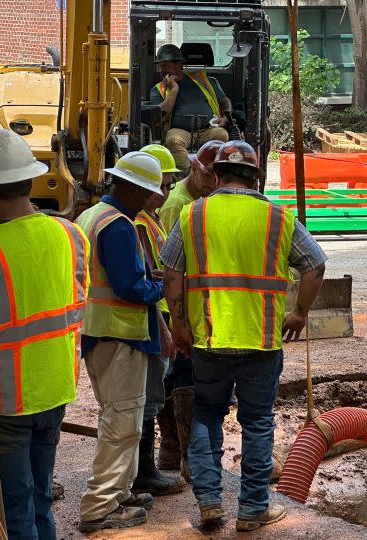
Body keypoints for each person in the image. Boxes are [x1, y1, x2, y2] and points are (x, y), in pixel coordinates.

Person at [161, 141, 327, 531]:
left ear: (216, 175)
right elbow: (315, 265)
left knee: (206, 415)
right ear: (256, 177)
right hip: (262, 340)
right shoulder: (278, 218)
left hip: (208, 338)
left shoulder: (192, 215)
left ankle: (209, 502)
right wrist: (299, 313)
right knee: (256, 423)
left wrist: (180, 323)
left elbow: (171, 272)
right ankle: (252, 509)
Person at [0, 129, 89, 540]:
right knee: (38, 501)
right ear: (29, 180)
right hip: (54, 389)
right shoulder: (70, 234)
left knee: (12, 510)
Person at [75, 152, 172, 532]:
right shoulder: (118, 226)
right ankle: (100, 506)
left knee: (122, 417)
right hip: (119, 333)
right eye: (148, 191)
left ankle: (120, 492)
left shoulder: (93, 215)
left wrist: (149, 278)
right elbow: (130, 287)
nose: (152, 199)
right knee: (122, 421)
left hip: (99, 331)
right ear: (129, 187)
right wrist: (163, 286)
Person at [153, 139, 224, 481]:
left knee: (178, 380)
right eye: (211, 174)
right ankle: (181, 454)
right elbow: (170, 266)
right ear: (195, 168)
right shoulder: (177, 206)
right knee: (180, 381)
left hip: (189, 307)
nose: (215, 182)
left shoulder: (201, 202)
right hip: (173, 307)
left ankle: (172, 450)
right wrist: (175, 317)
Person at [131, 144, 186, 496]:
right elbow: (150, 279)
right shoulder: (138, 223)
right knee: (148, 398)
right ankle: (143, 472)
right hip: (151, 319)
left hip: (158, 316)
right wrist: (165, 327)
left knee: (155, 394)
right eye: (163, 186)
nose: (167, 193)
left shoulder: (149, 219)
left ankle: (148, 467)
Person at [150, 44, 231, 172]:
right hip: (180, 132)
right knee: (173, 140)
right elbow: (161, 116)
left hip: (207, 130)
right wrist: (174, 90)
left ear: (178, 65)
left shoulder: (206, 81)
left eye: (165, 65)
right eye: (160, 66)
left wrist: (225, 117)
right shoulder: (158, 89)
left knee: (222, 135)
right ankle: (189, 172)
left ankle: (212, 172)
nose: (162, 70)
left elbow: (225, 101)